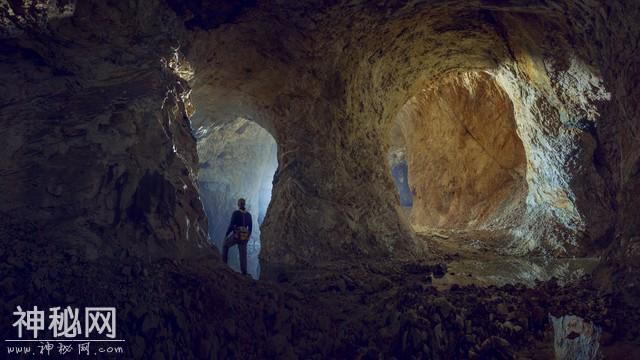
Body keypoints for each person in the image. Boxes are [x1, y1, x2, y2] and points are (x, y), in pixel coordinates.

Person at [222, 198, 253, 275]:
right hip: (244, 237)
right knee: (243, 255)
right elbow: (250, 228)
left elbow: (231, 225)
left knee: (225, 245)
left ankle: (224, 264)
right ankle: (244, 272)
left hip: (237, 236)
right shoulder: (249, 215)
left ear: (238, 204)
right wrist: (248, 237)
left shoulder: (235, 213)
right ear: (244, 204)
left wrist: (226, 235)